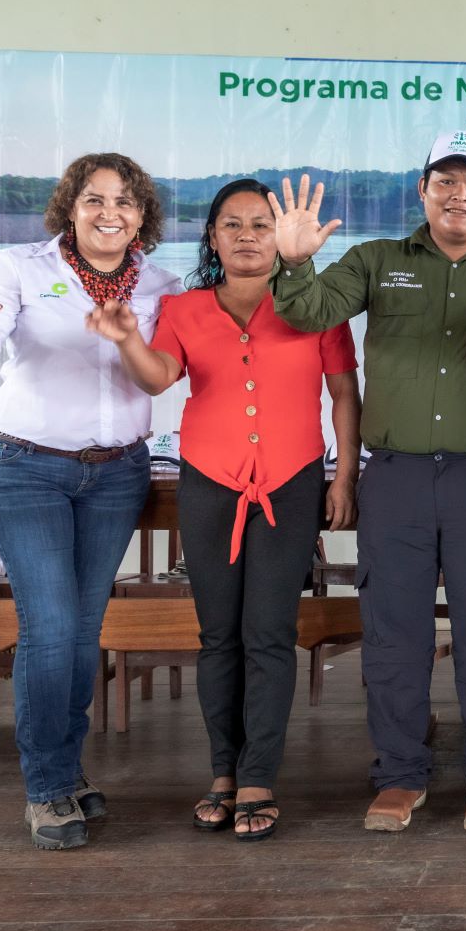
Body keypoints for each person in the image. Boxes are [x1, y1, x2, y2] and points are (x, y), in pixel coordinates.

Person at [270, 133, 466, 833]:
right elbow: (306, 312)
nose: (459, 195)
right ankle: (398, 774)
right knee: (394, 634)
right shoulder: (378, 261)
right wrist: (294, 260)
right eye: (444, 181)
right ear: (420, 191)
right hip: (396, 478)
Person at [0, 152, 181, 850]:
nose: (109, 213)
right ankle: (47, 787)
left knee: (83, 630)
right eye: (93, 199)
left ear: (142, 216)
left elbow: (159, 375)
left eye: (124, 202)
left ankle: (64, 770)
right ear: (70, 206)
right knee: (51, 627)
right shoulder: (22, 267)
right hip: (26, 467)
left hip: (118, 473)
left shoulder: (162, 284)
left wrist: (127, 337)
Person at [88, 179, 361, 841]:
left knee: (268, 633)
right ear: (212, 237)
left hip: (291, 485)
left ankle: (260, 773)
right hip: (209, 486)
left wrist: (343, 476)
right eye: (231, 225)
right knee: (218, 636)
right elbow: (158, 378)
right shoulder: (182, 309)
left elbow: (345, 397)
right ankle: (223, 774)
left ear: (279, 235)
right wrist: (126, 339)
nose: (246, 236)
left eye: (260, 225)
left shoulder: (316, 307)